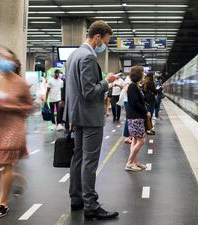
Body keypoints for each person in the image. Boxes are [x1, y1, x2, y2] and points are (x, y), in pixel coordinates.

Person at [64, 20, 119, 220]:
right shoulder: (88, 56)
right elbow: (89, 91)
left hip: (77, 116)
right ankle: (91, 205)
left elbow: (72, 90)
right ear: (97, 37)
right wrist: (107, 81)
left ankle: (76, 198)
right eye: (105, 40)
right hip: (90, 118)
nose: (105, 44)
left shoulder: (73, 55)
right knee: (89, 161)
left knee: (78, 157)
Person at [0, 47, 35, 219]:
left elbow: (29, 107)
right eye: (0, 58)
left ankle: (2, 203)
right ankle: (15, 179)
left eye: (6, 57)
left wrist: (10, 106)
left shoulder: (21, 83)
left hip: (14, 127)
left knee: (6, 164)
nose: (3, 61)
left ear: (14, 62)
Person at [125, 66, 150, 171]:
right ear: (139, 75)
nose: (144, 75)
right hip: (136, 117)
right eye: (142, 73)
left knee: (135, 140)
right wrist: (146, 112)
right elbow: (135, 103)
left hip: (135, 117)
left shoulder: (135, 86)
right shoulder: (132, 87)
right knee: (141, 141)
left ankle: (134, 161)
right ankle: (129, 163)